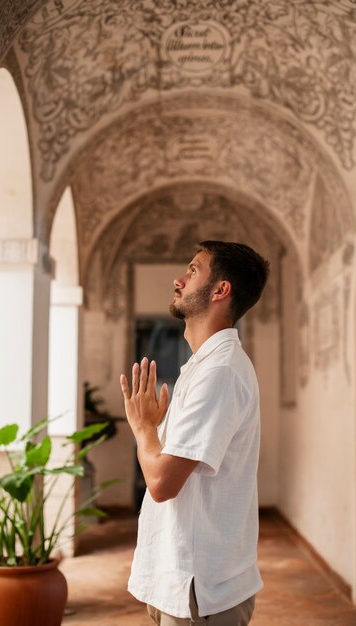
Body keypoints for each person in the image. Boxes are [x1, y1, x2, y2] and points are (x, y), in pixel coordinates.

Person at [120, 240, 270, 625]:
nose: (179, 279)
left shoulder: (219, 372)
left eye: (193, 270)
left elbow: (161, 482)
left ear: (220, 290)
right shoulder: (203, 366)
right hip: (183, 582)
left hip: (201, 589)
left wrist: (143, 428)